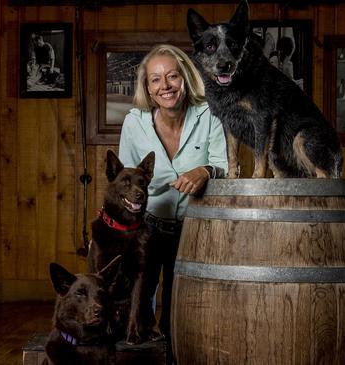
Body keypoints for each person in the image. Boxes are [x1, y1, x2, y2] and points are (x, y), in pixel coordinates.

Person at [118, 44, 228, 362]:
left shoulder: (211, 114)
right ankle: (143, 360)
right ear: (147, 88)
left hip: (197, 226)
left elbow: (226, 168)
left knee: (184, 309)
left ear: (185, 78)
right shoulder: (134, 123)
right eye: (155, 80)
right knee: (140, 305)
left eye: (172, 76)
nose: (164, 86)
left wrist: (206, 171)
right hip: (148, 226)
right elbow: (126, 182)